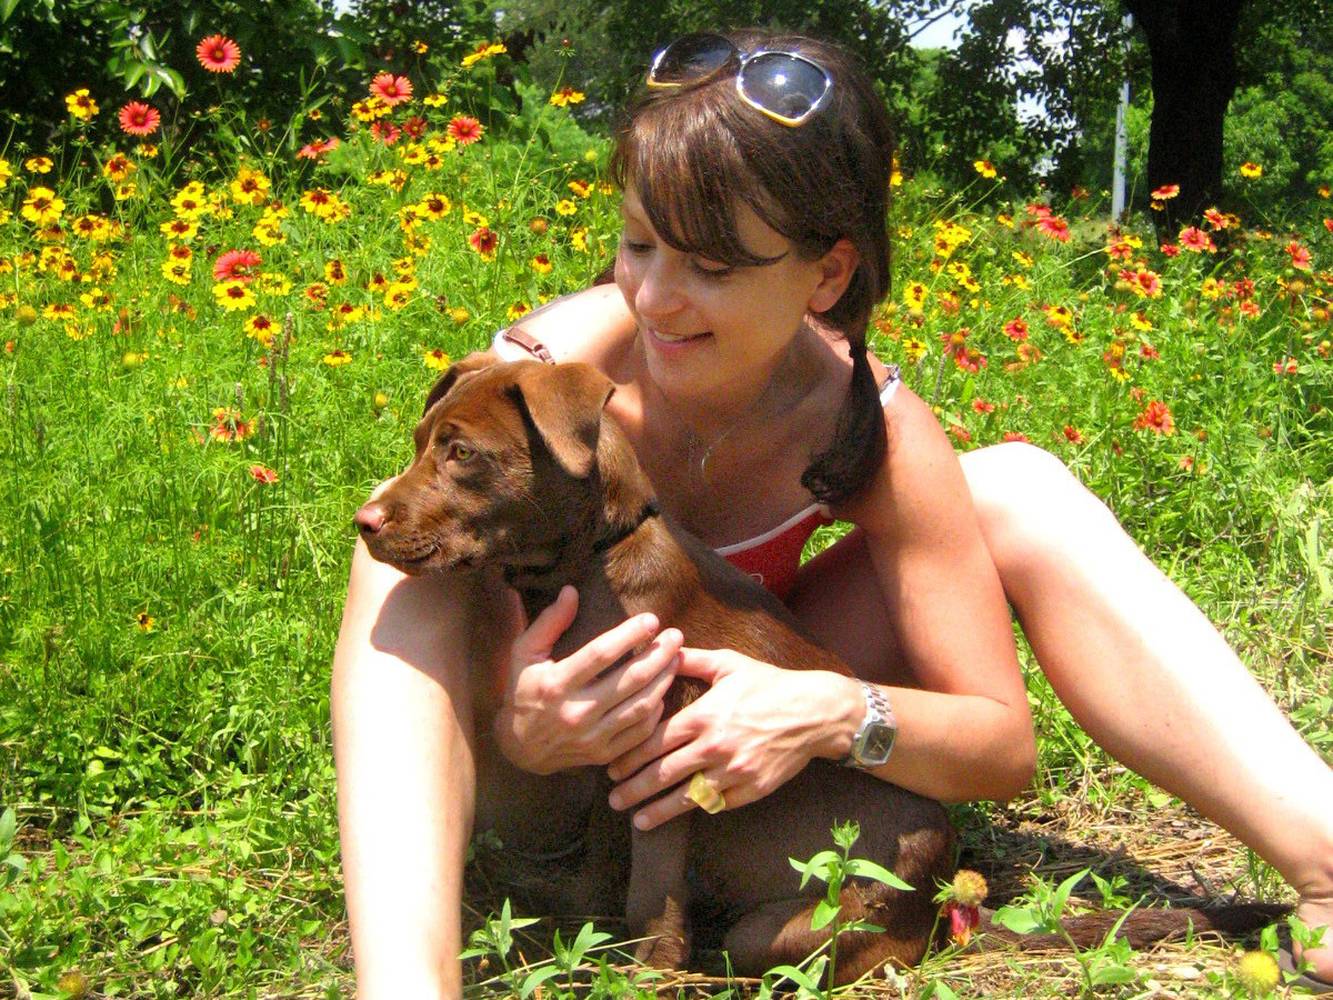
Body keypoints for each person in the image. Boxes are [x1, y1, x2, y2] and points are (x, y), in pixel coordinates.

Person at [331, 29, 1333, 997]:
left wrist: (832, 713)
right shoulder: (553, 380)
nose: (657, 297)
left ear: (827, 273)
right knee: (397, 562)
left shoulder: (867, 423)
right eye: (638, 244)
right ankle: (407, 982)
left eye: (714, 267)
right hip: (546, 729)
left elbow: (999, 748)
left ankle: (1326, 864)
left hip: (740, 698)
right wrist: (519, 725)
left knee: (1019, 487)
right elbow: (442, 556)